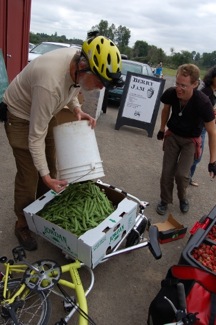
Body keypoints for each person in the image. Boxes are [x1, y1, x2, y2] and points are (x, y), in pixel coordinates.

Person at [2, 35, 122, 250]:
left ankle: (40, 210)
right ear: (83, 66)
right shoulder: (50, 84)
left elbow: (72, 87)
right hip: (21, 114)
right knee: (30, 173)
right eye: (100, 81)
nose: (102, 88)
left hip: (44, 109)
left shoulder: (75, 65)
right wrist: (46, 177)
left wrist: (77, 109)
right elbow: (35, 136)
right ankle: (22, 223)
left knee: (49, 162)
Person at [156, 63, 216, 216]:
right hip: (173, 136)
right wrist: (162, 129)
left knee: (182, 174)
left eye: (183, 85)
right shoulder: (171, 93)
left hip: (191, 140)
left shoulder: (203, 103)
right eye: (177, 83)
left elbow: (212, 132)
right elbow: (166, 109)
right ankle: (165, 200)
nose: (178, 88)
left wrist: (212, 161)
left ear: (195, 84)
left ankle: (183, 198)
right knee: (167, 171)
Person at [190, 66, 216, 186]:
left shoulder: (211, 91)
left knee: (195, 156)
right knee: (196, 156)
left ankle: (186, 177)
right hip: (199, 128)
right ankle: (186, 177)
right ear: (212, 78)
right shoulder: (206, 92)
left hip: (202, 127)